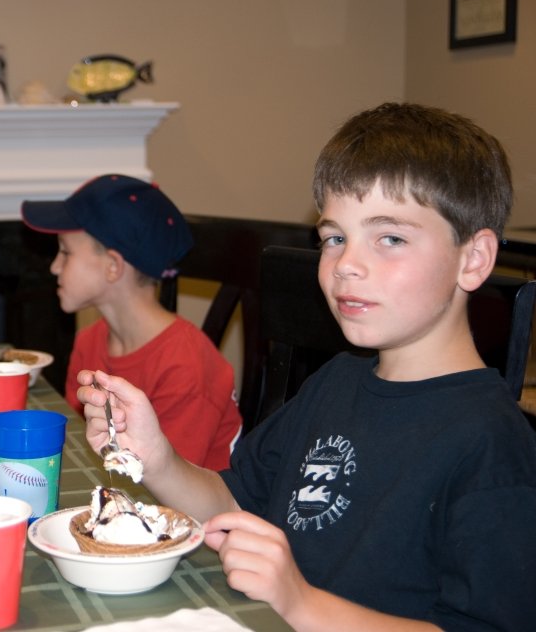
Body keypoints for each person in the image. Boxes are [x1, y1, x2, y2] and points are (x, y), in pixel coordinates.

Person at [76, 103, 536, 631]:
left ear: (473, 259)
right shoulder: (336, 381)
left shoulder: (492, 446)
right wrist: (156, 458)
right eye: (335, 238)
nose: (346, 265)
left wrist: (301, 602)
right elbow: (233, 503)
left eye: (390, 238)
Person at [22, 174, 242, 471]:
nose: (54, 266)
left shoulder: (186, 366)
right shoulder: (90, 341)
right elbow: (78, 443)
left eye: (65, 252)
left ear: (113, 266)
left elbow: (167, 484)